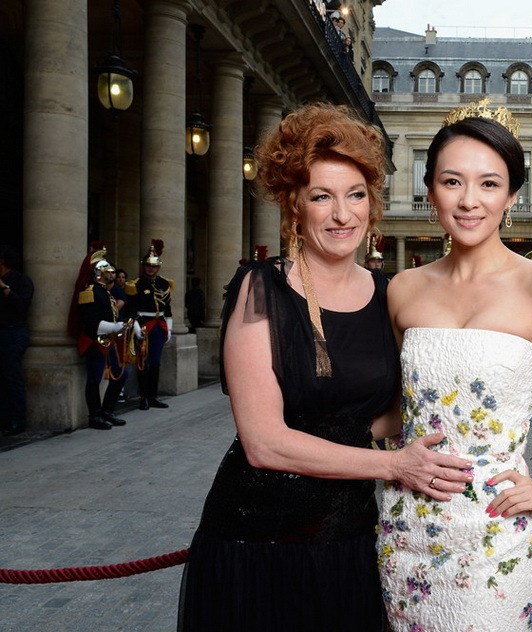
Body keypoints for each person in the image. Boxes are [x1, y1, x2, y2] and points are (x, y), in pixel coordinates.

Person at [177, 103, 473, 631]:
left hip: (350, 536)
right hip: (259, 539)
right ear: (294, 204)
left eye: (356, 195)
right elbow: (263, 442)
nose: (343, 214)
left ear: (373, 202)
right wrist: (393, 464)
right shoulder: (261, 287)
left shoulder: (390, 295)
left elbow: (396, 408)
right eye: (322, 196)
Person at [377, 100, 532, 631]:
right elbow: (398, 411)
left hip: (494, 525)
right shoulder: (403, 289)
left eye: (489, 184)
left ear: (511, 196)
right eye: (451, 181)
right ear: (430, 189)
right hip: (406, 519)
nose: (468, 201)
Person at [70, 246, 130, 430]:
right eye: (109, 270)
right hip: (95, 340)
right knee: (94, 379)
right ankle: (94, 415)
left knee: (121, 374)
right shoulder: (90, 291)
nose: (113, 273)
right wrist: (114, 327)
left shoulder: (104, 291)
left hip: (108, 339)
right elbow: (90, 321)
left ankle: (107, 410)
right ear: (99, 272)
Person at [125, 240, 173, 410]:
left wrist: (170, 327)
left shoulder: (164, 284)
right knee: (143, 362)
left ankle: (153, 396)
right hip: (144, 325)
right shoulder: (136, 284)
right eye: (147, 266)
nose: (150, 269)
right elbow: (130, 310)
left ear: (158, 267)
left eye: (153, 266)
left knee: (156, 362)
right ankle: (143, 396)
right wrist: (136, 327)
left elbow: (167, 308)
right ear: (144, 266)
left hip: (159, 325)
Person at [0, 245, 34, 436]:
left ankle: (17, 420)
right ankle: (4, 418)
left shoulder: (22, 281)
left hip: (13, 333)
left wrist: (4, 288)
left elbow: (22, 305)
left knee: (12, 377)